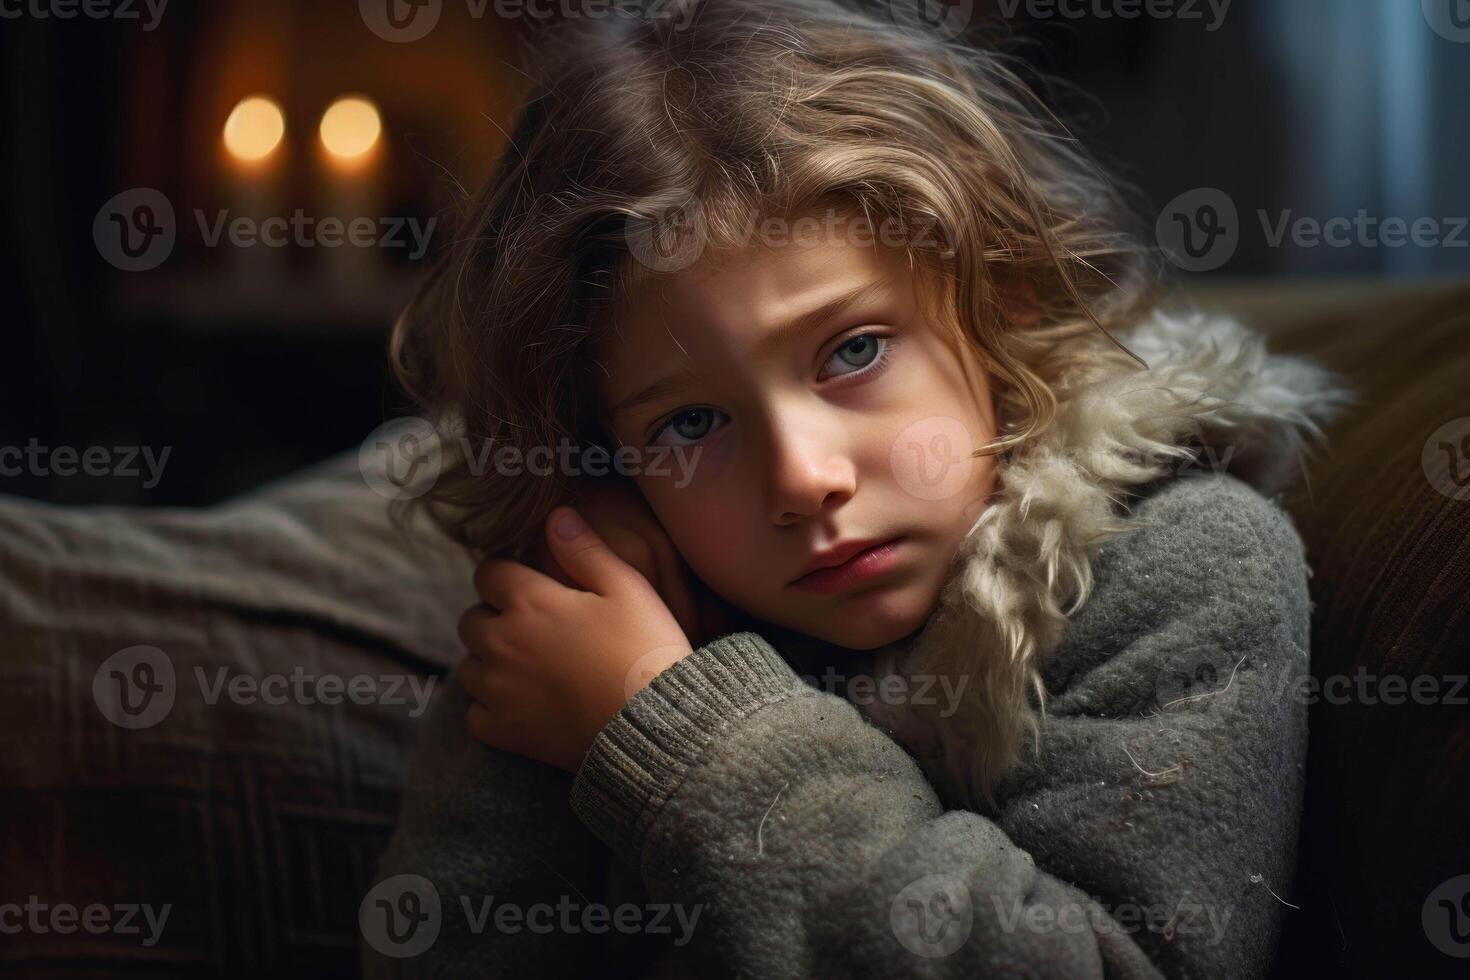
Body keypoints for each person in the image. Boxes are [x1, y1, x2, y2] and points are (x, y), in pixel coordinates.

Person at [362, 1, 1356, 975]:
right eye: (692, 423)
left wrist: (671, 722)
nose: (803, 478)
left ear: (996, 290)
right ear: (606, 457)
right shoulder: (623, 613)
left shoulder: (1184, 574)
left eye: (854, 349)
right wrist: (568, 643)